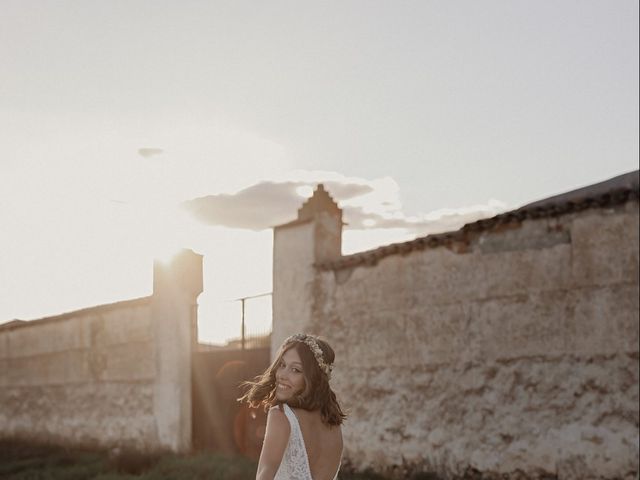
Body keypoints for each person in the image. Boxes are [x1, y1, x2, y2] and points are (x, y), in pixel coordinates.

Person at [240, 333, 346, 480]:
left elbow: (264, 476)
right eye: (282, 365)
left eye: (295, 370)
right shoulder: (334, 424)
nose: (282, 375)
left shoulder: (282, 415)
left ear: (312, 378)